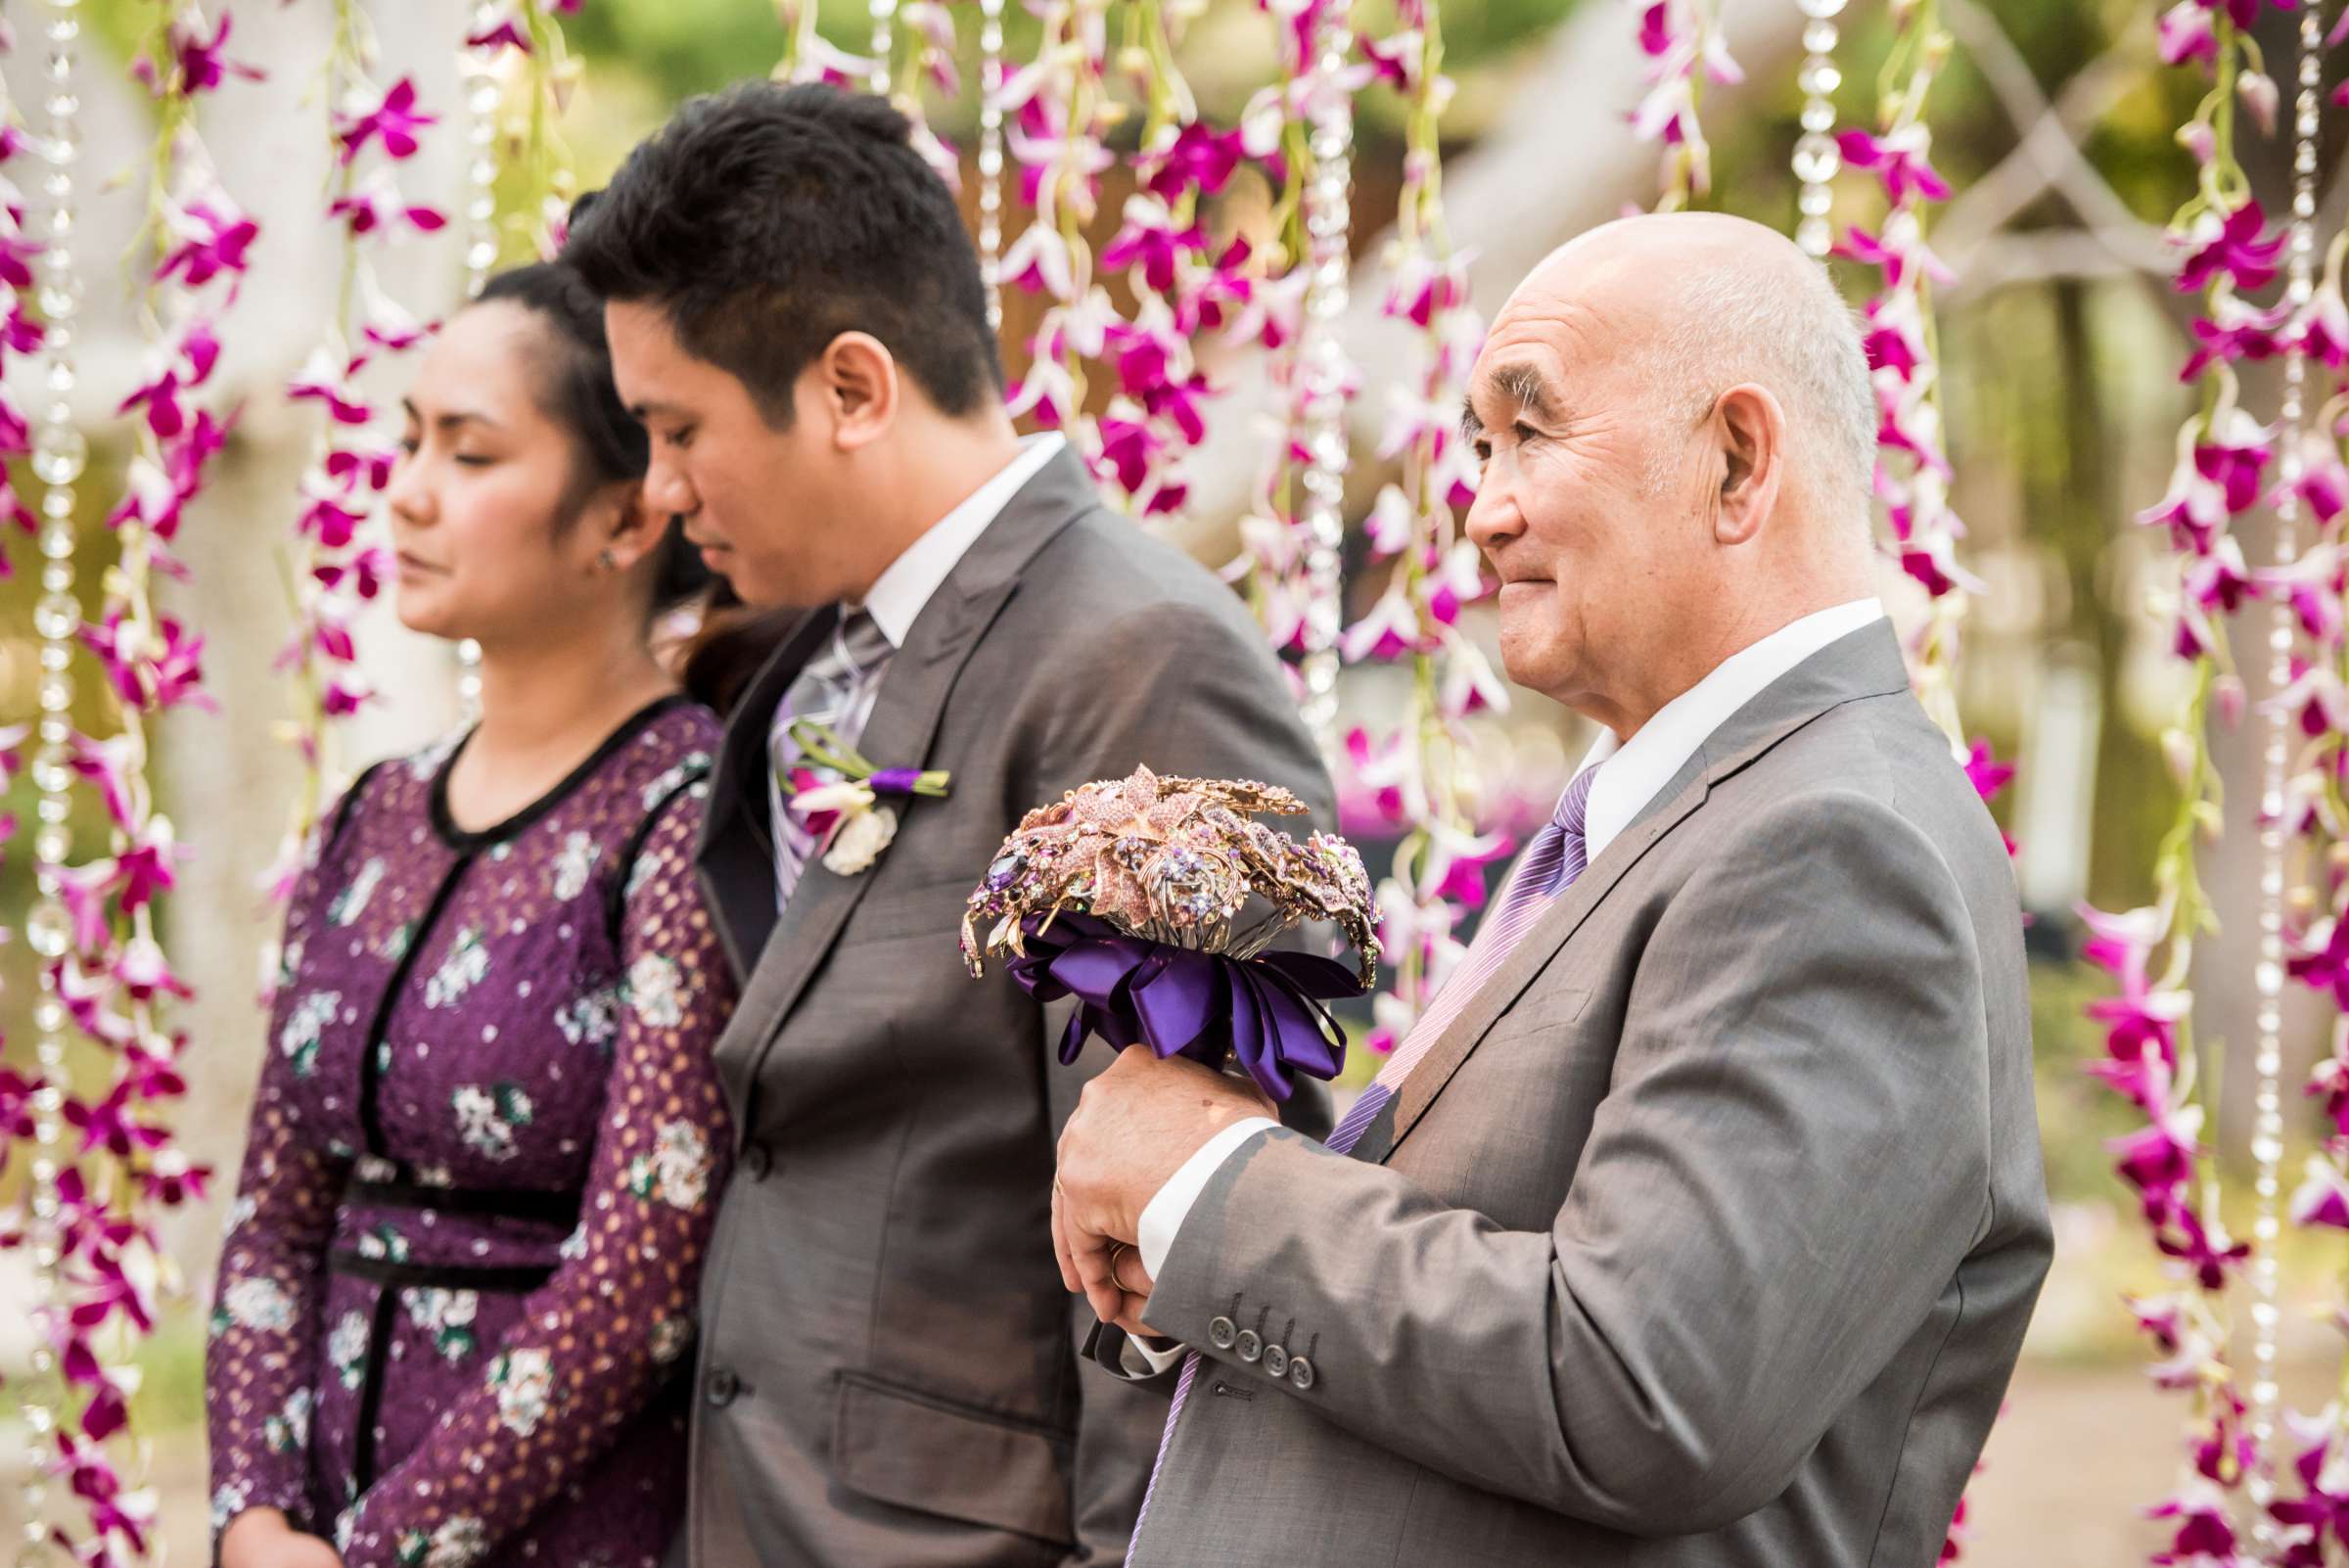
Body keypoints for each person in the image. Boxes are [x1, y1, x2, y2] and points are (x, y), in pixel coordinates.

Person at [1052, 212, 2053, 1566]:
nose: (1483, 506)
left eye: (1533, 431)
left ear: (1738, 460)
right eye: (1478, 444)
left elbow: (1648, 1382)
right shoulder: (1666, 810)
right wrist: (1190, 1253)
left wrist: (1214, 1190)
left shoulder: (1833, 840)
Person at [562, 80, 1334, 1568]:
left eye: (677, 429)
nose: (657, 491)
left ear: (851, 388)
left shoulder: (1138, 662)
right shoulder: (808, 655)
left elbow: (1193, 1242)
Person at [207, 262, 737, 1568]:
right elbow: (275, 1211)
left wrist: (376, 1552)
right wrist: (253, 1515)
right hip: (306, 1517)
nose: (407, 489)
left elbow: (640, 1279)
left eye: (471, 449)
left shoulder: (684, 819)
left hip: (556, 1529)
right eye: (408, 437)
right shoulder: (372, 812)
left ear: (622, 519)